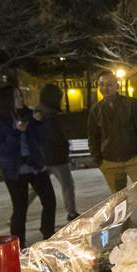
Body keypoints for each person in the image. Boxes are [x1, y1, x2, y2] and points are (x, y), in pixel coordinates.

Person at [0, 86, 56, 248]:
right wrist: (16, 132)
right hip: (15, 170)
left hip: (36, 166)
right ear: (5, 100)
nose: (20, 99)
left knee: (49, 201)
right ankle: (17, 244)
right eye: (15, 96)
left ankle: (48, 233)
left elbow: (42, 138)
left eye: (20, 96)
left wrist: (38, 123)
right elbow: (1, 148)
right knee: (20, 208)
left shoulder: (28, 114)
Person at [88, 70, 137, 194]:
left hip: (134, 160)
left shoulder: (131, 104)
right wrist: (99, 161)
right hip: (109, 163)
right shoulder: (95, 110)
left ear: (117, 85)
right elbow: (93, 137)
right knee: (119, 203)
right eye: (101, 84)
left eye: (109, 84)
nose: (105, 88)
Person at [30, 84, 79, 222]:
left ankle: (19, 210)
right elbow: (56, 135)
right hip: (56, 156)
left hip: (42, 156)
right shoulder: (50, 115)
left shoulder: (37, 112)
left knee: (36, 188)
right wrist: (64, 143)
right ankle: (72, 212)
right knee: (67, 185)